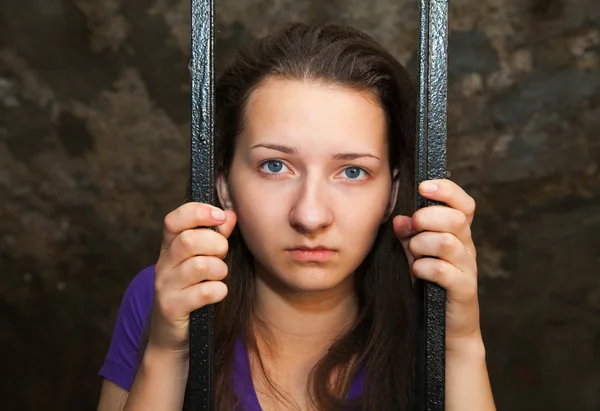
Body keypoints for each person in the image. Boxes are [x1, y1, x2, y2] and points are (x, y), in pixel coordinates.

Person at [96, 22, 495, 411]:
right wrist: (168, 352)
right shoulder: (164, 297)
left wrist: (460, 346)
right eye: (275, 166)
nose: (310, 215)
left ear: (390, 194)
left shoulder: (426, 312)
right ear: (223, 185)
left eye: (352, 172)